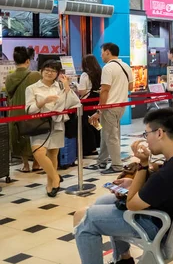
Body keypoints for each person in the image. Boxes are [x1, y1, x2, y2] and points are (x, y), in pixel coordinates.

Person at [73, 108, 173, 264]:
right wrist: (133, 182)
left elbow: (132, 204)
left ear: (159, 133)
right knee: (101, 202)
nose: (146, 139)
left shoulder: (170, 173)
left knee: (85, 219)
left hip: (160, 225)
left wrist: (142, 165)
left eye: (146, 134)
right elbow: (162, 179)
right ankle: (124, 259)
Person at [25, 60, 81, 196]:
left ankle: (51, 184)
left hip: (57, 124)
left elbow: (72, 103)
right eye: (47, 70)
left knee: (53, 154)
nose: (49, 73)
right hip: (39, 124)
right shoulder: (32, 88)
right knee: (38, 152)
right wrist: (43, 102)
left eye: (53, 71)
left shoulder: (60, 86)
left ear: (57, 74)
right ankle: (56, 177)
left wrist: (67, 87)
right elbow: (29, 110)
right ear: (41, 71)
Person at [87, 43, 133, 174]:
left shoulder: (108, 68)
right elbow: (130, 87)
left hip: (110, 106)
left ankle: (116, 165)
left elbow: (105, 90)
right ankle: (102, 161)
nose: (101, 55)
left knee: (111, 136)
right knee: (106, 134)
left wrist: (99, 110)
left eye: (102, 52)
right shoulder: (126, 66)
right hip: (121, 106)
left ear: (108, 52)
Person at [5, 46, 42, 173]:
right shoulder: (36, 75)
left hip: (16, 111)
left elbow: (9, 93)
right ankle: (37, 163)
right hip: (32, 109)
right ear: (28, 61)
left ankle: (25, 165)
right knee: (35, 134)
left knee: (19, 135)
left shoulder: (10, 77)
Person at [77, 54, 103, 156]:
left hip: (87, 101)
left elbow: (82, 91)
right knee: (95, 123)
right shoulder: (100, 73)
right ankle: (97, 144)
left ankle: (90, 148)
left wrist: (76, 86)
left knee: (86, 125)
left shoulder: (85, 75)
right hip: (97, 100)